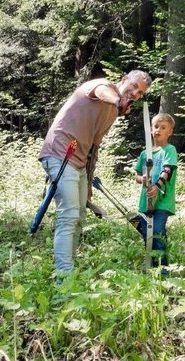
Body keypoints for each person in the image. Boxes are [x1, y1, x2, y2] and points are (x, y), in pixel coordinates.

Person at [38, 69, 151, 277]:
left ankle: (67, 270)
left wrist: (88, 183)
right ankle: (64, 277)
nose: (135, 94)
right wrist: (118, 102)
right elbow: (101, 93)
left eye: (140, 93)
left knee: (79, 217)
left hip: (79, 164)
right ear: (124, 80)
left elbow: (94, 147)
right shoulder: (102, 86)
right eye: (134, 87)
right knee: (69, 216)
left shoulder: (113, 112)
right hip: (60, 154)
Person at [133, 112, 178, 271]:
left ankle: (163, 268)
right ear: (151, 129)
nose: (158, 130)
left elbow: (168, 170)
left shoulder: (169, 150)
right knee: (145, 232)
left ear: (169, 132)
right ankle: (152, 264)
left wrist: (157, 187)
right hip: (146, 201)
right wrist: (143, 179)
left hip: (162, 201)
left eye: (163, 127)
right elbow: (137, 175)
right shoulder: (145, 153)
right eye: (156, 126)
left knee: (157, 231)